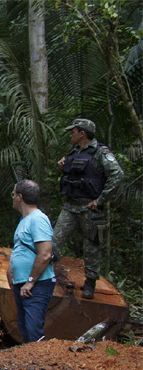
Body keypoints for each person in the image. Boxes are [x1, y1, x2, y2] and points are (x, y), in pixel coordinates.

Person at [54, 118, 124, 299]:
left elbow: (117, 175)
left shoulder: (101, 152)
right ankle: (46, 276)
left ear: (82, 133)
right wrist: (63, 167)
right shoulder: (74, 152)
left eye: (73, 131)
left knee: (91, 247)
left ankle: (90, 283)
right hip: (70, 206)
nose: (71, 134)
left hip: (90, 209)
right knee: (54, 241)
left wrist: (100, 200)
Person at [7, 180, 56, 343]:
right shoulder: (24, 220)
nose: (12, 198)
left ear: (20, 197)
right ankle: (30, 367)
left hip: (36, 285)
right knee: (25, 329)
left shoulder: (38, 219)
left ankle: (42, 367)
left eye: (13, 194)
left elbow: (45, 254)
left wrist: (30, 281)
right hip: (22, 284)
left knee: (33, 330)